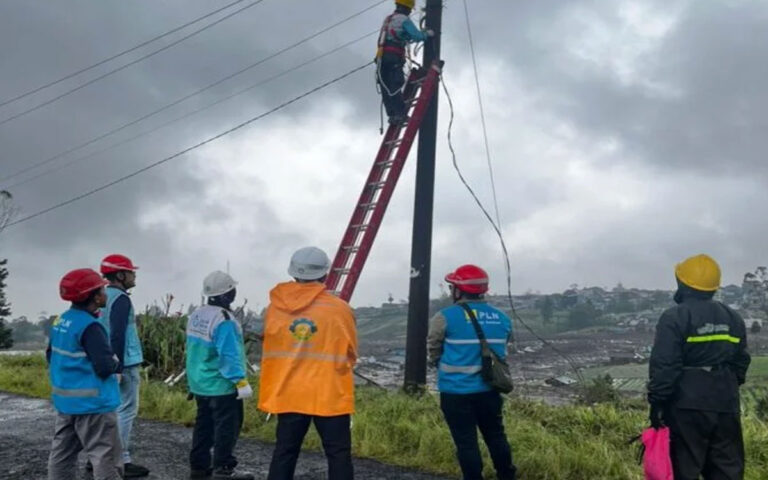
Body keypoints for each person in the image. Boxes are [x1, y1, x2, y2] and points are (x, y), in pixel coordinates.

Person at [648, 254, 751, 480]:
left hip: (686, 404)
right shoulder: (733, 318)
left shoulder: (675, 317)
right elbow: (741, 361)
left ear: (682, 284)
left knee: (684, 469)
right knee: (727, 470)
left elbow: (665, 366)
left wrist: (657, 404)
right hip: (725, 402)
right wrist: (723, 384)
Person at [259, 246, 358, 480]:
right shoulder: (340, 310)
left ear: (293, 272)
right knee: (338, 454)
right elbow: (351, 353)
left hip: (288, 392)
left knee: (285, 451)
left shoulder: (274, 308)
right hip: (329, 393)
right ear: (325, 273)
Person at [427, 264, 517, 480]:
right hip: (490, 390)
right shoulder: (502, 318)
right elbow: (504, 347)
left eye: (452, 287)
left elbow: (433, 348)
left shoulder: (445, 317)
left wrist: (439, 362)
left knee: (466, 442)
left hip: (455, 392)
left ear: (459, 290)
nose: (451, 291)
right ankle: (507, 476)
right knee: (496, 436)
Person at [47, 268, 122, 480]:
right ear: (95, 297)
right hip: (94, 406)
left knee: (62, 456)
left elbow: (51, 355)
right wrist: (117, 364)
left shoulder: (61, 320)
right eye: (102, 290)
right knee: (106, 458)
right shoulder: (90, 327)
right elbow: (105, 366)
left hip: (66, 403)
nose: (105, 293)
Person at [186, 271, 254, 480]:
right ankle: (223, 468)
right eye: (232, 289)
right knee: (227, 427)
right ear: (226, 294)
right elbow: (229, 355)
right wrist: (240, 382)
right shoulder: (224, 319)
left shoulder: (197, 315)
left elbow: (192, 350)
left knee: (203, 426)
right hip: (221, 385)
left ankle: (199, 467)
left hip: (199, 383)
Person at [98, 254, 148, 478]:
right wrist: (118, 366)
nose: (134, 275)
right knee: (126, 410)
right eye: (130, 272)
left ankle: (99, 458)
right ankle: (120, 460)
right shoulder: (121, 298)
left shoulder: (100, 296)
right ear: (120, 275)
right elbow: (117, 333)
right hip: (124, 362)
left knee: (108, 411)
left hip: (105, 360)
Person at [376, 0, 434, 124]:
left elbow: (391, 36)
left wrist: (406, 37)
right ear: (407, 8)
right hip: (393, 57)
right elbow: (417, 36)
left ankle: (392, 115)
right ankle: (400, 114)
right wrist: (427, 34)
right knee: (395, 84)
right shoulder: (403, 20)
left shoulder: (388, 19)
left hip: (381, 58)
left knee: (386, 86)